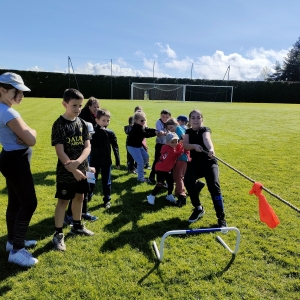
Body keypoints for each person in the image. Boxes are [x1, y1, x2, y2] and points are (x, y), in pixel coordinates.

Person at [0, 72, 38, 267]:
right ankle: (17, 250)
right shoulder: (8, 112)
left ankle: (12, 242)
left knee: (15, 202)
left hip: (11, 158)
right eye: (17, 91)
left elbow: (29, 135)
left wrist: (30, 132)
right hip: (16, 160)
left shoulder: (4, 109)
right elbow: (32, 139)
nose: (21, 95)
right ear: (3, 90)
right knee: (29, 203)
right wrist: (32, 132)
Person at [51, 88, 94, 252]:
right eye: (74, 105)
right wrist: (72, 167)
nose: (77, 109)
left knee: (80, 197)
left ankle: (77, 225)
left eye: (80, 106)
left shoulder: (82, 123)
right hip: (66, 171)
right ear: (64, 104)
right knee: (63, 201)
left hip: (81, 170)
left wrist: (78, 163)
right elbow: (60, 151)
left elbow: (88, 147)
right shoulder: (58, 124)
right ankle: (58, 234)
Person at [183, 109, 227, 228]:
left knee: (213, 186)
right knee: (187, 181)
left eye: (198, 117)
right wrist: (194, 146)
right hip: (195, 164)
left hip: (209, 162)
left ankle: (221, 217)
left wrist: (211, 149)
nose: (196, 120)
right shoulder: (188, 131)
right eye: (193, 117)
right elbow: (185, 145)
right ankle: (198, 208)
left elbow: (207, 139)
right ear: (190, 120)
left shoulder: (205, 130)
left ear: (202, 119)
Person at [64, 122, 98, 225]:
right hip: (76, 173)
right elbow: (76, 161)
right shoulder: (76, 145)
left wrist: (89, 168)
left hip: (86, 171)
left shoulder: (87, 144)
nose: (90, 137)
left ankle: (83, 212)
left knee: (85, 193)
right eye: (88, 134)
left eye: (91, 134)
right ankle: (70, 215)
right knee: (76, 194)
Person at [89, 109, 120, 209]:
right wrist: (99, 132)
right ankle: (88, 195)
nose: (106, 123)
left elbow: (115, 146)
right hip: (94, 161)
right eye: (103, 120)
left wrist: (117, 160)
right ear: (97, 120)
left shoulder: (110, 133)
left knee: (106, 182)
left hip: (106, 161)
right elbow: (88, 145)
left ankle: (107, 199)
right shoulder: (92, 132)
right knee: (91, 180)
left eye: (108, 120)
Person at [147, 133, 184, 205]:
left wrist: (179, 145)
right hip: (161, 169)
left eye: (176, 141)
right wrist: (182, 146)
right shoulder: (170, 150)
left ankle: (169, 195)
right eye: (172, 142)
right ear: (167, 142)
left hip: (167, 169)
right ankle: (151, 196)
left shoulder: (166, 147)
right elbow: (179, 153)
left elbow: (176, 151)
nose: (175, 143)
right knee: (160, 184)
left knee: (171, 183)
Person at [127, 111, 160, 183]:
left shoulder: (141, 126)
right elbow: (145, 134)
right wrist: (156, 133)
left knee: (146, 157)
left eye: (144, 120)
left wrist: (156, 130)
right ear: (136, 121)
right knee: (140, 161)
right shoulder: (136, 128)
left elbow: (147, 129)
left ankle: (139, 169)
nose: (143, 122)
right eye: (142, 120)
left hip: (138, 146)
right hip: (132, 147)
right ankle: (140, 178)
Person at [165, 118, 190, 207]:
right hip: (180, 156)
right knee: (179, 176)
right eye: (169, 129)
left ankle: (181, 196)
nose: (170, 130)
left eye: (171, 128)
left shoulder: (179, 129)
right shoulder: (179, 129)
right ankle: (196, 185)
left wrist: (179, 145)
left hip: (181, 157)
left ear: (176, 124)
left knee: (177, 176)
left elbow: (184, 138)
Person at [148, 109, 171, 184]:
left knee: (165, 161)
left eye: (166, 117)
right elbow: (159, 131)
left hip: (167, 145)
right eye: (163, 116)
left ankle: (161, 178)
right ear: (160, 116)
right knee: (157, 160)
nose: (164, 118)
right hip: (160, 145)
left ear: (169, 117)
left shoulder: (170, 123)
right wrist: (163, 132)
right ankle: (151, 176)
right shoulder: (158, 122)